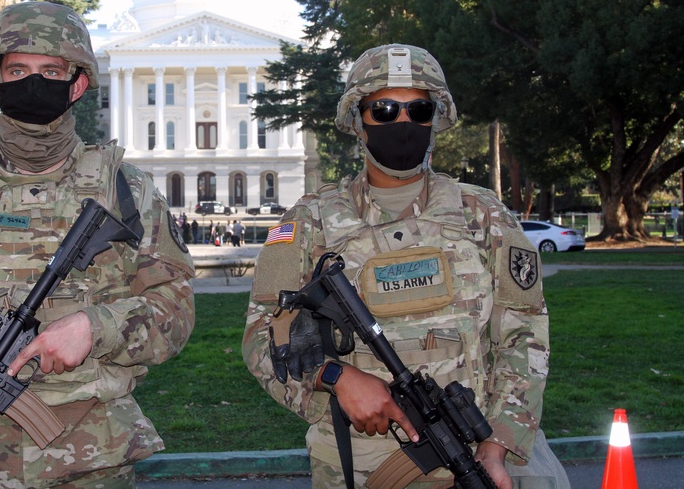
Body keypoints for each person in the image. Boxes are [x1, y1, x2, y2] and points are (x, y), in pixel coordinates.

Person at [0, 1, 196, 489]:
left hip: (94, 457)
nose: (33, 83)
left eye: (50, 71)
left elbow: (175, 311)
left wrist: (95, 327)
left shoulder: (126, 191)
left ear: (77, 84)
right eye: (18, 70)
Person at [242, 44, 568, 489]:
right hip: (360, 465)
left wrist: (499, 444)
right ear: (358, 122)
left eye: (419, 109)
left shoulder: (483, 215)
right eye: (384, 109)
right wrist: (334, 376)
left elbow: (525, 335)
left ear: (436, 119)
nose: (403, 123)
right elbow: (263, 339)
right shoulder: (309, 222)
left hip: (484, 452)